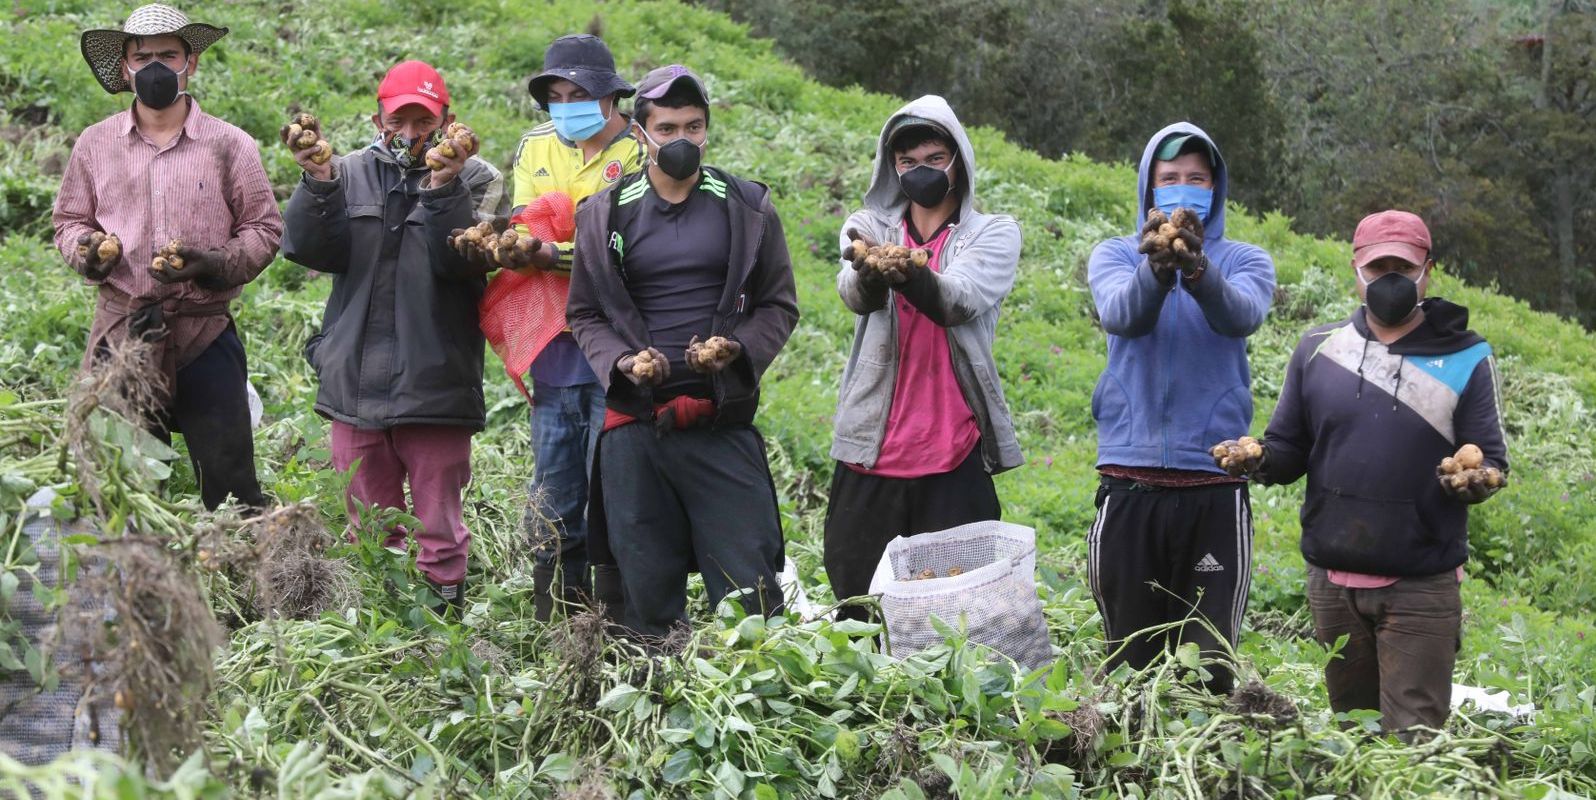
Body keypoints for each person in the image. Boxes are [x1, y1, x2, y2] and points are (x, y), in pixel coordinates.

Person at [1214, 210, 1508, 734]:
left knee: (1413, 740)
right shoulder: (1319, 349)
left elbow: (1487, 457)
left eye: (1403, 266)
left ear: (1428, 271)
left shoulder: (1465, 355)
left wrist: (1475, 480)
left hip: (1421, 583)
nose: (1389, 279)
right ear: (1356, 270)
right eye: (1377, 268)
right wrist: (1256, 458)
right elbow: (1289, 447)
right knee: (1352, 731)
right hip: (1333, 581)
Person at [566, 65, 799, 639]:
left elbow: (779, 304)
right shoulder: (604, 214)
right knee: (644, 601)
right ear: (640, 135)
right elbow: (584, 314)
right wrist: (624, 363)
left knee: (752, 597)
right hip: (635, 427)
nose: (682, 142)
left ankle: (754, 700)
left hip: (720, 422)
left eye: (694, 127)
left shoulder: (746, 207)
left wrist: (737, 350)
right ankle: (655, 703)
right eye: (667, 129)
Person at [280, 60, 507, 608]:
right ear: (377, 117)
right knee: (368, 529)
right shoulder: (348, 171)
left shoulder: (482, 179)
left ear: (447, 120)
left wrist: (442, 185)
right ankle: (378, 628)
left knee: (439, 530)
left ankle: (443, 630)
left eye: (423, 121)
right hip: (354, 380)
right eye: (398, 119)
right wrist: (318, 181)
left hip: (435, 381)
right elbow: (308, 249)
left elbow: (460, 263)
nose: (410, 133)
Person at [53, 3, 282, 512]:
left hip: (204, 330)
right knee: (122, 486)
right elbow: (69, 222)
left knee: (230, 485)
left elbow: (265, 230)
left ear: (191, 62)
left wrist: (214, 263)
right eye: (143, 57)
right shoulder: (95, 145)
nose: (156, 67)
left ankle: (239, 574)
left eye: (168, 55)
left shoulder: (230, 145)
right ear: (126, 67)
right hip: (124, 332)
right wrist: (89, 253)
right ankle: (137, 581)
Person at [1085, 122, 1276, 692]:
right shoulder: (1116, 254)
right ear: (1149, 189)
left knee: (1208, 663)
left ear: (1216, 189)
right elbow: (1122, 315)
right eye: (1170, 179)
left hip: (1211, 480)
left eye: (1197, 178)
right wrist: (1157, 267)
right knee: (1130, 658)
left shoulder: (1245, 259)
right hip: (1129, 477)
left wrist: (1196, 270)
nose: (1183, 190)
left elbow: (1241, 315)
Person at [823, 96, 1023, 622]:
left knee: (959, 618)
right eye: (908, 162)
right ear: (892, 167)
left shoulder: (993, 233)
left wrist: (909, 271)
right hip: (873, 446)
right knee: (860, 608)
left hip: (952, 452)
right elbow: (853, 292)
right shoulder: (868, 225)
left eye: (934, 160)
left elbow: (957, 300)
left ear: (958, 162)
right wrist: (869, 268)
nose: (921, 172)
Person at [486, 33, 643, 620]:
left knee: (613, 488)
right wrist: (535, 247)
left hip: (617, 347)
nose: (567, 105)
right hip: (554, 344)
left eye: (579, 93)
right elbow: (526, 227)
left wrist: (558, 252)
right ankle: (554, 617)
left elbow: (628, 247)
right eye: (556, 94)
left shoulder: (639, 153)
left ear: (609, 98)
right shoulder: (535, 146)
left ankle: (616, 617)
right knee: (553, 492)